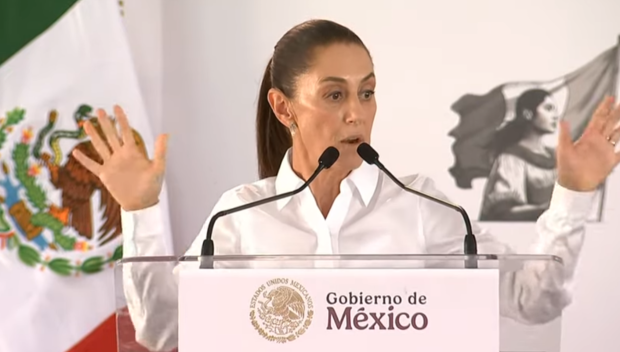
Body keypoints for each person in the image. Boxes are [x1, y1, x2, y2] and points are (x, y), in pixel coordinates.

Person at [73, 19, 620, 351]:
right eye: (335, 95)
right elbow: (159, 330)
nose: (357, 114)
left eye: (367, 92)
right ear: (283, 107)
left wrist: (571, 192)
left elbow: (534, 300)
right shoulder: (237, 218)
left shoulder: (427, 208)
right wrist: (140, 209)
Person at [479, 88, 560, 221]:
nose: (556, 115)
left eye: (555, 109)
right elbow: (503, 211)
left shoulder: (557, 156)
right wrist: (548, 210)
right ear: (528, 114)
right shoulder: (511, 159)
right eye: (548, 108)